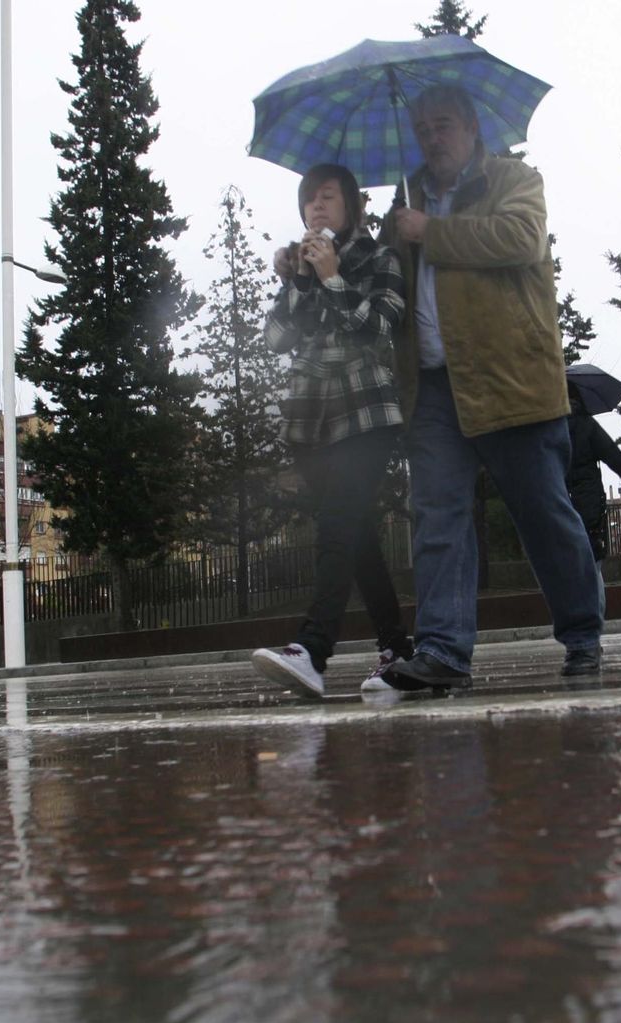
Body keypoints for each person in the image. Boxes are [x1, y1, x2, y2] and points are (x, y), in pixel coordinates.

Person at [379, 83, 604, 690]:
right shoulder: (405, 205)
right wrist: (315, 264)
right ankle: (444, 653)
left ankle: (583, 637)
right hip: (430, 389)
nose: (432, 138)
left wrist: (434, 232)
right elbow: (376, 282)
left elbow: (521, 240)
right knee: (437, 521)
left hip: (512, 380)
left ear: (472, 127)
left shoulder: (513, 180)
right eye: (423, 129)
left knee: (545, 515)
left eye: (443, 124)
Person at [250, 163, 415, 698]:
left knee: (337, 526)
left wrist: (332, 279)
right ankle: (398, 650)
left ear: (351, 206)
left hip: (365, 411)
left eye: (328, 197)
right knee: (355, 534)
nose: (317, 207)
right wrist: (297, 280)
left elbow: (380, 326)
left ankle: (312, 650)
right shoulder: (299, 266)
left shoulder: (378, 258)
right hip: (309, 419)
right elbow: (276, 337)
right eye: (309, 200)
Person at [565, 382, 621, 612]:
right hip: (590, 508)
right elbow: (618, 461)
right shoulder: (588, 426)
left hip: (561, 506)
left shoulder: (549, 430)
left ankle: (575, 627)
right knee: (593, 569)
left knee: (568, 570)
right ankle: (593, 633)